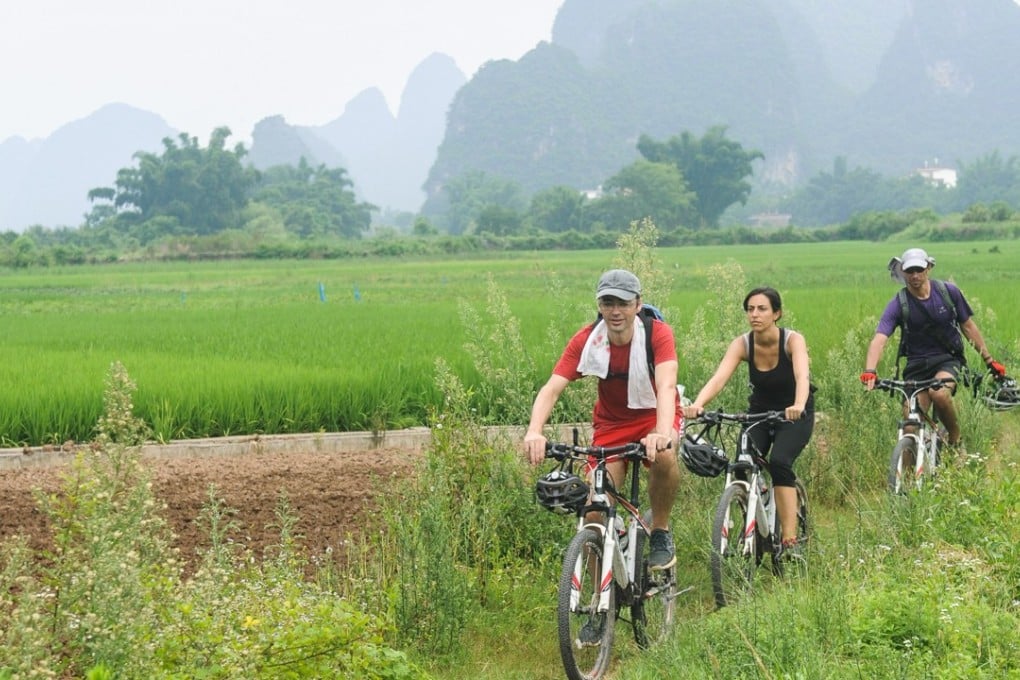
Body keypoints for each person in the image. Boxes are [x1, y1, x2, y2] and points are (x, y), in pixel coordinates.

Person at [524, 269, 681, 572]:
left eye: (623, 303)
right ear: (599, 305)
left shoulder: (657, 334)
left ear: (638, 304)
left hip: (654, 417)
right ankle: (601, 604)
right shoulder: (587, 340)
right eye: (608, 303)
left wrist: (661, 433)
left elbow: (666, 386)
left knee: (663, 455)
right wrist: (534, 432)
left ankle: (660, 531)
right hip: (612, 426)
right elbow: (551, 388)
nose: (615, 311)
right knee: (593, 513)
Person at [682, 286, 814, 558]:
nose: (755, 314)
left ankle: (789, 540)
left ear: (777, 313)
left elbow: (802, 376)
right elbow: (719, 378)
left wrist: (798, 405)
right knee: (741, 462)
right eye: (750, 309)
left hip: (794, 413)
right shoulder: (742, 344)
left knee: (779, 462)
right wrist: (698, 404)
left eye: (762, 309)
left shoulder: (792, 340)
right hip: (760, 413)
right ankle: (750, 517)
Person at [860, 247, 1006, 449]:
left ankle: (955, 441)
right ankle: (908, 477)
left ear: (928, 267)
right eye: (910, 271)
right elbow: (880, 338)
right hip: (917, 366)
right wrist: (870, 371)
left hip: (948, 360)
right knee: (910, 426)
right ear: (903, 272)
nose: (915, 275)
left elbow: (968, 326)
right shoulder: (898, 303)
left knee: (938, 394)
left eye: (919, 270)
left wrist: (989, 360)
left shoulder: (948, 292)